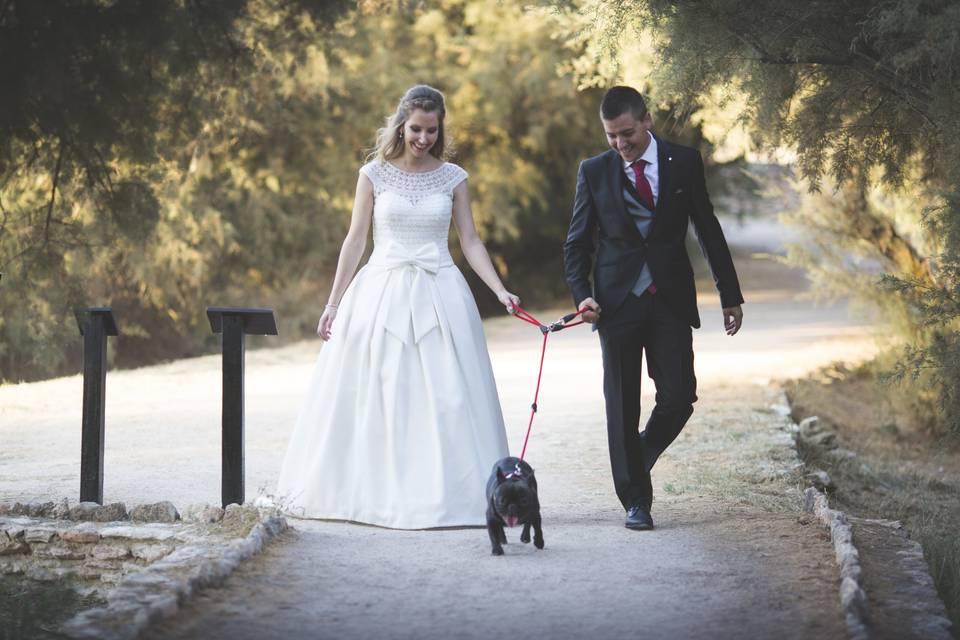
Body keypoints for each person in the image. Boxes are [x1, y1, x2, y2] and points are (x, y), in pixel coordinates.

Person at [276, 85, 518, 529]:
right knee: (378, 390)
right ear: (401, 124)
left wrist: (500, 291)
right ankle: (374, 496)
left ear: (440, 128)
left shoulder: (454, 178)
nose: (423, 138)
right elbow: (355, 240)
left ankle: (457, 495)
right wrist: (333, 302)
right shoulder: (373, 174)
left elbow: (470, 240)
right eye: (415, 129)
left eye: (431, 130)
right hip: (380, 292)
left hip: (440, 289)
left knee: (448, 395)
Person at [564, 86, 744, 530]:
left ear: (646, 120)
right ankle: (636, 501)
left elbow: (707, 227)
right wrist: (580, 295)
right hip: (615, 304)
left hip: (669, 298)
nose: (620, 145)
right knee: (621, 404)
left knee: (680, 396)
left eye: (627, 133)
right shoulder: (594, 171)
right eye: (611, 137)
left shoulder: (683, 162)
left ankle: (638, 455)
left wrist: (729, 293)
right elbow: (577, 243)